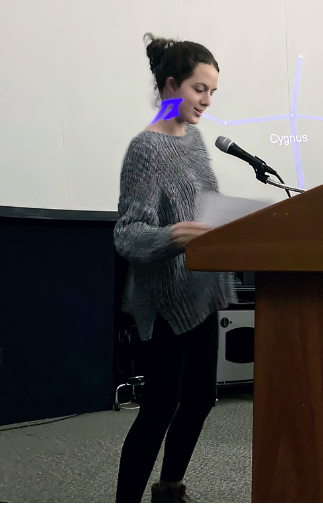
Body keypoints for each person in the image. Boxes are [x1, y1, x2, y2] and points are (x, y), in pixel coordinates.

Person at [114, 35, 232, 502]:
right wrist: (171, 236)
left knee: (200, 399)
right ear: (169, 86)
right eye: (199, 89)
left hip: (202, 291)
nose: (207, 101)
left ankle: (169, 490)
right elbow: (128, 233)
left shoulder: (196, 141)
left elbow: (203, 207)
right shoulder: (146, 149)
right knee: (160, 407)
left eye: (212, 92)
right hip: (166, 300)